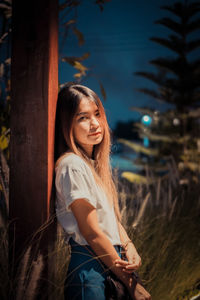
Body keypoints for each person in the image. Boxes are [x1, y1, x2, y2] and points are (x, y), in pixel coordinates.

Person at [54, 83, 151, 300]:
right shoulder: (71, 165)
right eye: (83, 117)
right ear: (66, 124)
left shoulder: (88, 165)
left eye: (97, 114)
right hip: (91, 270)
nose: (95, 123)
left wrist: (128, 246)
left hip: (112, 261)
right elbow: (92, 233)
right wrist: (132, 284)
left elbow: (108, 221)